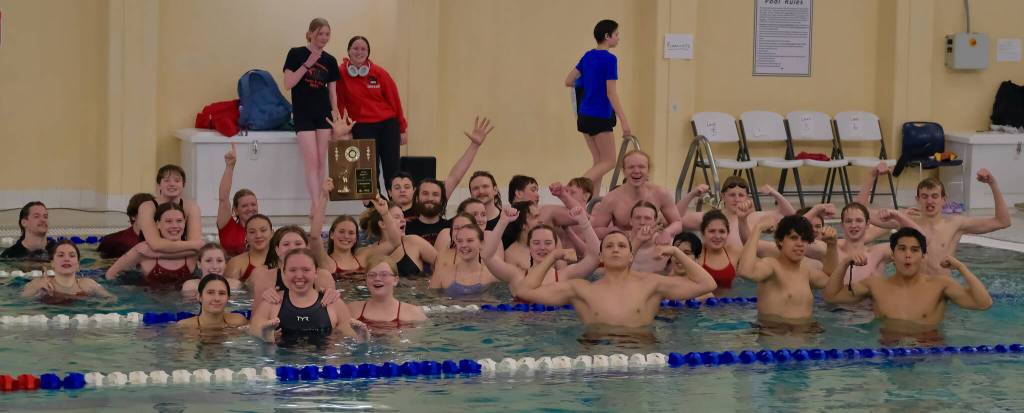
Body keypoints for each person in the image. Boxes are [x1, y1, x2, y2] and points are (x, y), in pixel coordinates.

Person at [823, 228, 993, 344]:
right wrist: (845, 263)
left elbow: (983, 303)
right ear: (892, 254)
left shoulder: (940, 285)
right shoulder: (875, 284)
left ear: (923, 256)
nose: (908, 255)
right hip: (890, 353)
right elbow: (832, 296)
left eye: (914, 250)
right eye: (902, 249)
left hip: (930, 354)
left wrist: (961, 268)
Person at [511, 232, 716, 327]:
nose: (615, 249)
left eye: (621, 246)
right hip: (596, 358)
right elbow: (525, 291)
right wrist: (553, 256)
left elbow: (707, 284)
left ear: (631, 256)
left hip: (641, 357)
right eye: (609, 246)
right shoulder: (581, 289)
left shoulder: (651, 283)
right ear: (600, 257)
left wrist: (675, 252)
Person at [736, 216, 838, 335]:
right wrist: (757, 229)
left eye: (804, 239)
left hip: (806, 339)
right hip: (776, 340)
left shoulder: (807, 272)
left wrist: (832, 245)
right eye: (793, 238)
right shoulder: (771, 266)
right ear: (780, 241)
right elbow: (745, 271)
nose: (800, 244)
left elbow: (833, 281)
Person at [565, 19, 631, 191]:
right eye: (616, 35)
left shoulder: (588, 56)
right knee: (609, 161)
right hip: (600, 116)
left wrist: (588, 83)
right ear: (607, 36)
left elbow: (569, 81)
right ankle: (573, 189)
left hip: (584, 116)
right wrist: (624, 121)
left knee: (598, 162)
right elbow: (611, 93)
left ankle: (592, 204)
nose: (618, 38)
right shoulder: (609, 59)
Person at [283, 17, 341, 210]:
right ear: (310, 34)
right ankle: (315, 204)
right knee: (312, 161)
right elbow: (288, 83)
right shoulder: (296, 53)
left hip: (323, 114)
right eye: (320, 33)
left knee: (322, 160)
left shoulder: (330, 60)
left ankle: (320, 203)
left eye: (327, 34)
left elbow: (333, 94)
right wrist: (308, 63)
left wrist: (337, 117)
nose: (324, 38)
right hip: (303, 114)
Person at [905, 170, 1010, 276]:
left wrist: (993, 184)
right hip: (916, 289)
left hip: (943, 288)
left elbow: (1002, 222)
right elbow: (887, 224)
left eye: (935, 196)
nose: (929, 201)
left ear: (944, 200)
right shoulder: (907, 222)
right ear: (917, 199)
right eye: (924, 196)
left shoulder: (955, 224)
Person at [335, 35, 406, 188]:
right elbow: (338, 103)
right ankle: (372, 208)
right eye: (355, 48)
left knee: (392, 168)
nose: (359, 52)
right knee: (366, 171)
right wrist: (341, 128)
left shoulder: (379, 73)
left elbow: (395, 101)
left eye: (363, 49)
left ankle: (395, 208)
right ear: (348, 51)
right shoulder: (340, 74)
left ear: (368, 53)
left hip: (388, 125)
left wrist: (402, 128)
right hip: (362, 126)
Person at [250, 248, 360, 343]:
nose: (299, 276)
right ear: (284, 273)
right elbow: (254, 326)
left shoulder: (333, 303)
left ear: (316, 272)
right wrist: (266, 335)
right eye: (292, 270)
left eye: (306, 270)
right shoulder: (273, 301)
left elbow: (350, 335)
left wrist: (362, 337)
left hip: (321, 364)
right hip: (281, 364)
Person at [387, 117, 493, 215]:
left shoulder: (430, 207)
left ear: (415, 192)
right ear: (389, 193)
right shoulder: (384, 215)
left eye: (407, 187)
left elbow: (454, 177)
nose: (402, 191)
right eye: (397, 187)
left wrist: (474, 146)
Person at [483, 206, 599, 289]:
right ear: (530, 246)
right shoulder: (516, 276)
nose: (542, 247)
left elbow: (595, 257)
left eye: (548, 243)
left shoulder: (564, 276)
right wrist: (503, 222)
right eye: (536, 243)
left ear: (555, 246)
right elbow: (488, 257)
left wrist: (584, 222)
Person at [309, 180, 402, 280]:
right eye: (341, 231)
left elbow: (395, 242)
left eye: (351, 233)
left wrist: (385, 213)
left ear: (356, 238)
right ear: (331, 235)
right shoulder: (326, 262)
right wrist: (324, 197)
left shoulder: (364, 258)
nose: (346, 236)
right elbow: (314, 236)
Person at [590, 150, 683, 245]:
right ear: (624, 171)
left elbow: (677, 222)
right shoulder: (612, 198)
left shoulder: (660, 193)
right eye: (631, 167)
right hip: (626, 247)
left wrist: (667, 232)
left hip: (652, 245)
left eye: (641, 167)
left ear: (648, 170)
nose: (636, 171)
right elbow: (595, 230)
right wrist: (617, 232)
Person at [678, 177, 796, 249]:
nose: (737, 199)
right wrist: (692, 194)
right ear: (723, 196)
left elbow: (792, 217)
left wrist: (774, 193)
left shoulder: (755, 217)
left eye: (741, 195)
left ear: (747, 197)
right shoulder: (711, 218)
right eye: (732, 195)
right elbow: (675, 218)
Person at [105, 202, 197, 287]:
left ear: (184, 223)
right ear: (158, 224)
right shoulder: (142, 250)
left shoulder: (195, 250)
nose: (175, 226)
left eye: (179, 221)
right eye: (168, 221)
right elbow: (110, 275)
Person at [135, 165, 204, 254]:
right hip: (149, 260)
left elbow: (195, 246)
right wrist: (191, 245)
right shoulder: (147, 207)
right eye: (166, 180)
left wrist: (193, 246)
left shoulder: (191, 207)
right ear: (159, 185)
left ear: (183, 185)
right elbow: (156, 244)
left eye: (177, 180)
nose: (172, 184)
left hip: (181, 258)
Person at [359, 202, 437, 278]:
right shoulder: (373, 251)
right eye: (397, 217)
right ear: (382, 224)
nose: (403, 220)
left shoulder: (413, 241)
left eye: (403, 217)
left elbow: (442, 263)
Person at [347, 256, 428, 327]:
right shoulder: (352, 310)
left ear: (395, 280)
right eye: (372, 275)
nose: (377, 278)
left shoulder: (413, 314)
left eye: (384, 275)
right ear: (366, 279)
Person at [22, 240, 115, 302]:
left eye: (72, 255)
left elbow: (112, 299)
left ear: (78, 264)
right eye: (61, 255)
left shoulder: (88, 284)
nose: (66, 259)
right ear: (52, 263)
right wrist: (36, 290)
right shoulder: (38, 283)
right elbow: (22, 301)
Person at [429, 225, 501, 297]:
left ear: (481, 244)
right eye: (460, 241)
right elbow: (430, 302)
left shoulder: (492, 276)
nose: (464, 245)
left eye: (470, 240)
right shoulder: (441, 274)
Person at [216, 143, 259, 257]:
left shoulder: (263, 228)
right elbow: (223, 199)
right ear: (235, 210)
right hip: (230, 272)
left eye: (253, 204)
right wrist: (230, 166)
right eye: (244, 206)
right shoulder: (228, 226)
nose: (250, 208)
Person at [174, 274, 248, 332]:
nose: (217, 298)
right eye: (210, 292)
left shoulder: (238, 321)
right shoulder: (185, 327)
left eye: (222, 293)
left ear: (228, 298)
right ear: (199, 297)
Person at [97, 193, 155, 259]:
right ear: (133, 216)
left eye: (154, 214)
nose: (151, 218)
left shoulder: (163, 243)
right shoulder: (111, 241)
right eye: (146, 214)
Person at [224, 214, 273, 285]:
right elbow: (228, 294)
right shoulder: (236, 263)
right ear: (246, 236)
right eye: (252, 232)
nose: (258, 235)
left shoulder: (282, 261)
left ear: (272, 233)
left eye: (263, 230)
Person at [404, 178, 450, 245]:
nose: (430, 198)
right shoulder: (405, 228)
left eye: (435, 194)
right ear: (417, 198)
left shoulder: (451, 227)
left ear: (441, 200)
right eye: (425, 194)